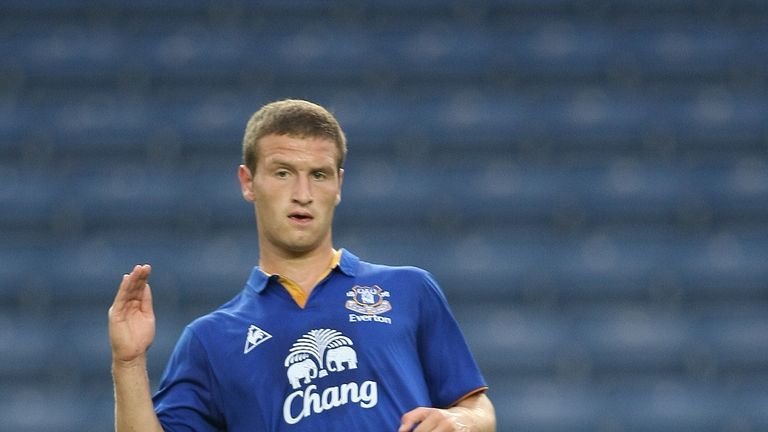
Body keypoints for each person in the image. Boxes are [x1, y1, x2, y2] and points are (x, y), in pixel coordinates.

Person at [108, 99, 496, 431]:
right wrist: (128, 362)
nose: (303, 194)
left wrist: (463, 421)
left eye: (319, 175)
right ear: (248, 182)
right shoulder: (210, 339)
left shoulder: (410, 290)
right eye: (283, 173)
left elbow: (477, 406)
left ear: (338, 185)